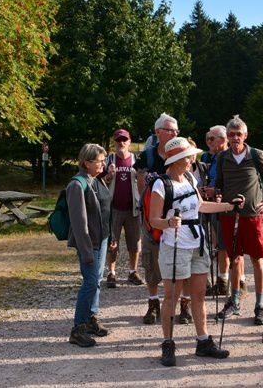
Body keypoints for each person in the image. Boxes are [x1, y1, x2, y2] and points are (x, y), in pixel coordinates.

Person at [151, 137, 241, 366]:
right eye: (190, 156)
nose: (193, 159)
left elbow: (200, 206)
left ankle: (203, 341)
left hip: (196, 244)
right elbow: (154, 220)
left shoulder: (190, 178)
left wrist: (229, 206)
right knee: (172, 296)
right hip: (174, 246)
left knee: (199, 295)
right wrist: (169, 222)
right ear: (178, 159)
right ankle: (168, 344)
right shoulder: (161, 184)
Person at [215, 115, 263, 325]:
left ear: (245, 135)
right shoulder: (222, 157)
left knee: (257, 260)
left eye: (239, 134)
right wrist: (218, 195)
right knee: (235, 258)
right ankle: (235, 301)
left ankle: (260, 305)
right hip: (230, 215)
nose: (235, 138)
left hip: (253, 216)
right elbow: (219, 183)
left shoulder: (256, 155)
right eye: (231, 134)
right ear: (227, 137)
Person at [135, 113, 190, 324]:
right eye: (170, 130)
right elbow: (142, 189)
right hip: (152, 220)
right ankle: (153, 304)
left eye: (177, 130)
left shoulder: (182, 155)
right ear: (158, 132)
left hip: (179, 221)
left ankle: (184, 306)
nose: (175, 133)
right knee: (151, 261)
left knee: (182, 260)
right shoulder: (147, 157)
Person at [67, 143, 113, 347]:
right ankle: (78, 329)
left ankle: (90, 319)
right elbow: (79, 223)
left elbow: (104, 210)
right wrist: (86, 251)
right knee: (90, 282)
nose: (103, 164)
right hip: (89, 243)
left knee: (96, 281)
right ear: (86, 162)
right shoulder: (77, 185)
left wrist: (109, 236)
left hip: (101, 240)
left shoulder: (96, 180)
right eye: (99, 161)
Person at [103, 129, 144, 288]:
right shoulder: (109, 159)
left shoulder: (136, 160)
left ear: (129, 141)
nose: (121, 143)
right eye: (118, 140)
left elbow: (142, 182)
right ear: (114, 142)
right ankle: (111, 273)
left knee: (134, 243)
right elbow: (101, 183)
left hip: (132, 208)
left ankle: (132, 272)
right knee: (112, 242)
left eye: (124, 140)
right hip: (113, 209)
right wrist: (109, 176)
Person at [201, 125, 231, 296]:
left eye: (212, 139)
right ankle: (215, 280)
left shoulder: (229, 157)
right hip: (207, 204)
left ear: (223, 139)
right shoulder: (207, 157)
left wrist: (217, 191)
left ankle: (224, 280)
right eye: (207, 139)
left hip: (224, 206)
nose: (209, 142)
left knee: (223, 245)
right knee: (211, 242)